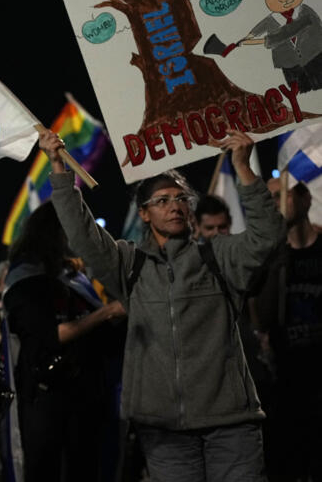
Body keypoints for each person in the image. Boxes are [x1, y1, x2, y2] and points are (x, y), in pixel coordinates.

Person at [39, 127, 284, 481]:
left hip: (230, 425)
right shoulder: (129, 264)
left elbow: (269, 235)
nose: (175, 206)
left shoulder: (218, 255)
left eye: (181, 198)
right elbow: (82, 234)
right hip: (164, 431)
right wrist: (58, 167)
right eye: (163, 200)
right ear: (144, 213)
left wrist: (243, 166)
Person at [2, 201, 126, 481]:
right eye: (69, 228)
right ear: (53, 231)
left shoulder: (74, 275)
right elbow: (49, 335)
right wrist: (108, 311)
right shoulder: (24, 277)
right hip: (46, 397)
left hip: (84, 394)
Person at [250, 179, 321, 480]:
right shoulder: (270, 257)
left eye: (283, 195)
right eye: (271, 198)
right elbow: (261, 319)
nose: (277, 204)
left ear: (305, 199)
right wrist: (275, 261)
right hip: (286, 383)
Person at [242, 0, 322, 93]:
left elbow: (286, 32)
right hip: (290, 66)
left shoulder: (306, 12)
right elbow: (257, 29)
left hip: (315, 58)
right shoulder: (271, 20)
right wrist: (246, 39)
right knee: (301, 95)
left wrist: (263, 41)